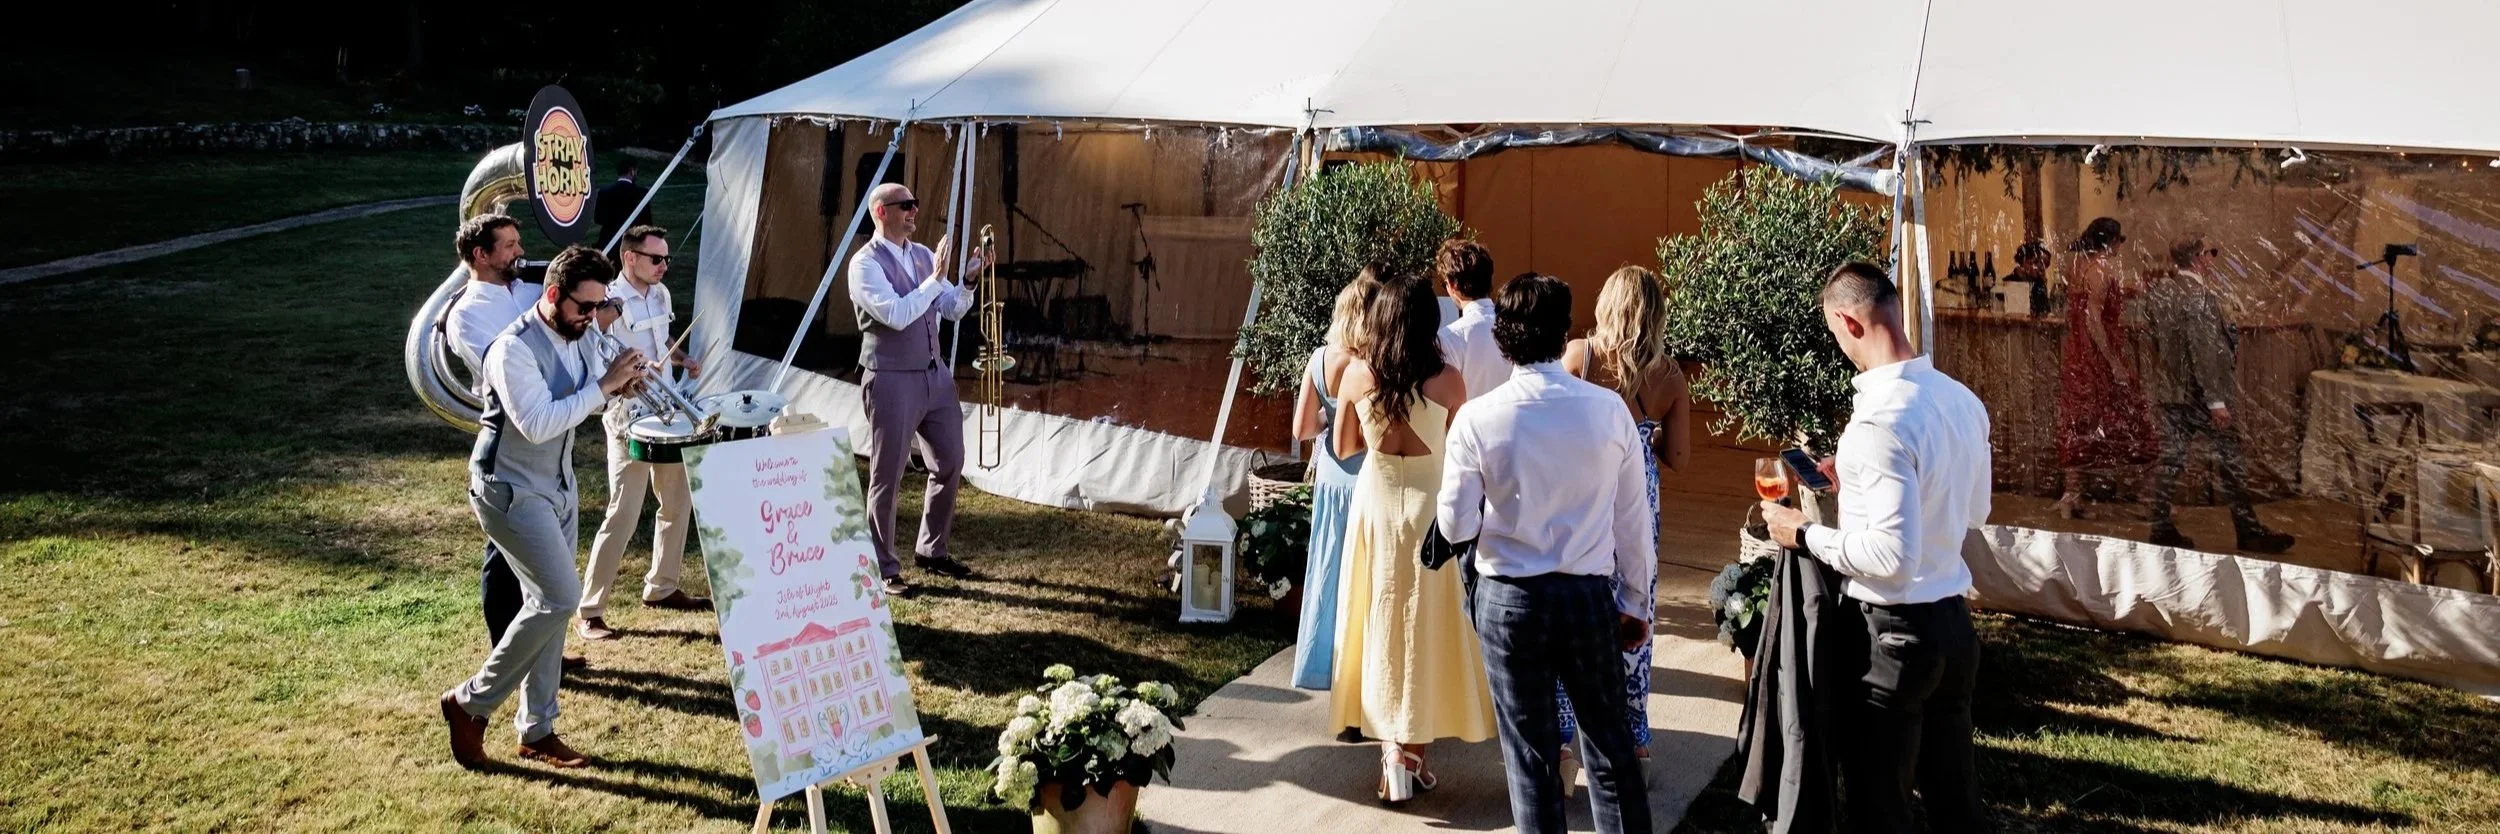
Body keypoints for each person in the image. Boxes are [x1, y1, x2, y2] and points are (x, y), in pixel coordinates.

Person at [1761, 262, 1992, 833]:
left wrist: (1803, 533)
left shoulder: (1876, 424)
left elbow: (1892, 558)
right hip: (1953, 629)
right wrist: (1861, 487)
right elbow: (1974, 511)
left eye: (1834, 334)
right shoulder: (1962, 400)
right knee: (1955, 801)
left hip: (1892, 639)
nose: (1839, 347)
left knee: (1879, 809)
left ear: (1849, 322)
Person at [1437, 273, 1654, 833]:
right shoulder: (1609, 411)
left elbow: (1455, 522)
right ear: (1564, 335)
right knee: (1610, 749)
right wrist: (1635, 601)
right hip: (1587, 596)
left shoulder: (1478, 418)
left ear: (1503, 339)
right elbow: (1632, 522)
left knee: (1531, 761)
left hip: (1510, 598)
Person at [440, 246, 645, 770]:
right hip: (508, 487)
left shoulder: (578, 333)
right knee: (560, 598)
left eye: (598, 306)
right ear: (553, 294)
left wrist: (621, 387)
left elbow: (584, 398)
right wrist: (604, 386)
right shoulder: (511, 349)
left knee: (549, 607)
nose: (592, 318)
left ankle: (537, 730)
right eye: (584, 307)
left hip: (558, 483)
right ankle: (469, 703)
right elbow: (537, 423)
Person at [1331, 273, 1496, 802]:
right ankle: (1410, 755)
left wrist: (1379, 429)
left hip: (1377, 506)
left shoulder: (1357, 375)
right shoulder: (1449, 382)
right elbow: (1463, 458)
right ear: (1430, 322)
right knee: (1427, 627)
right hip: (1432, 508)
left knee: (1379, 619)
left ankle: (1390, 752)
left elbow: (1344, 447)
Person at [1552, 266, 1691, 775]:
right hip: (1639, 498)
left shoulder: (1579, 357)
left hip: (1584, 493)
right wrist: (1647, 432)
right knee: (1634, 607)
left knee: (1571, 607)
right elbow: (1679, 457)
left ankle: (1561, 741)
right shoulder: (1669, 376)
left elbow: (1553, 425)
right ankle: (1634, 740)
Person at [442, 214, 584, 671]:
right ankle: (510, 654)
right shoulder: (465, 314)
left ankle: (544, 653)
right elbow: (505, 368)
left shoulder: (528, 289)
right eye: (509, 245)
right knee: (505, 561)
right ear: (480, 255)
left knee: (547, 561)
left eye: (519, 242)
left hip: (553, 442)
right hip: (511, 444)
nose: (520, 251)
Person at [577, 225, 710, 642]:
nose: (663, 265)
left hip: (666, 412)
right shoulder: (607, 301)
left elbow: (662, 336)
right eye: (656, 258)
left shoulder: (661, 294)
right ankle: (590, 611)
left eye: (666, 258)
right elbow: (593, 354)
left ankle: (662, 587)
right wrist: (634, 369)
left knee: (677, 502)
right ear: (630, 257)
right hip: (628, 416)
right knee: (623, 512)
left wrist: (681, 357)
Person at [851, 182, 981, 596]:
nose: (914, 211)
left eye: (915, 204)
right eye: (905, 205)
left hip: (933, 375)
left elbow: (950, 310)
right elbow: (896, 315)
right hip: (890, 377)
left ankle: (932, 550)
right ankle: (884, 568)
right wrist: (936, 279)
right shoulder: (864, 264)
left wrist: (967, 282)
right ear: (881, 211)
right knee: (887, 476)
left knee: (950, 460)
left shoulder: (923, 254)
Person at [2143, 236, 2295, 554]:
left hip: (2173, 389)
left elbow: (2156, 339)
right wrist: (2215, 401)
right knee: (2231, 460)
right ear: (2199, 258)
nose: (2212, 259)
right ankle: (2248, 530)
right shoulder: (2198, 296)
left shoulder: (2160, 292)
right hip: (2200, 394)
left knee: (2171, 460)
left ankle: (2160, 526)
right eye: (2210, 253)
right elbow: (2203, 350)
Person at [1287, 268, 1384, 691]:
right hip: (1364, 478)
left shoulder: (1320, 359)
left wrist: (1328, 419)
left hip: (1329, 478)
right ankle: (1360, 670)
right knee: (1364, 576)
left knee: (1327, 570)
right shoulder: (1370, 367)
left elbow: (1302, 429)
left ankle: (1319, 664)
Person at [2053, 217, 2156, 519]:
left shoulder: (2080, 267)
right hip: (2096, 359)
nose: (2120, 246)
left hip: (2079, 356)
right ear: (2111, 242)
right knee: (2132, 420)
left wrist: (2127, 291)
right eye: (2119, 240)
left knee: (2081, 422)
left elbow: (2088, 304)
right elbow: (2093, 319)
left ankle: (2072, 497)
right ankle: (2148, 496)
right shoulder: (2100, 270)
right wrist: (2113, 362)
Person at [1435, 240, 1513, 401]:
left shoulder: (1448, 338)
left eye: (1444, 284)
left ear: (1452, 284)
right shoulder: (1516, 328)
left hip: (1467, 416)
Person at [594, 158, 652, 246]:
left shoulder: (604, 192)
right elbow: (647, 222)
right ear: (632, 171)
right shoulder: (641, 193)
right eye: (637, 171)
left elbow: (598, 219)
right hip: (632, 241)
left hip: (608, 241)